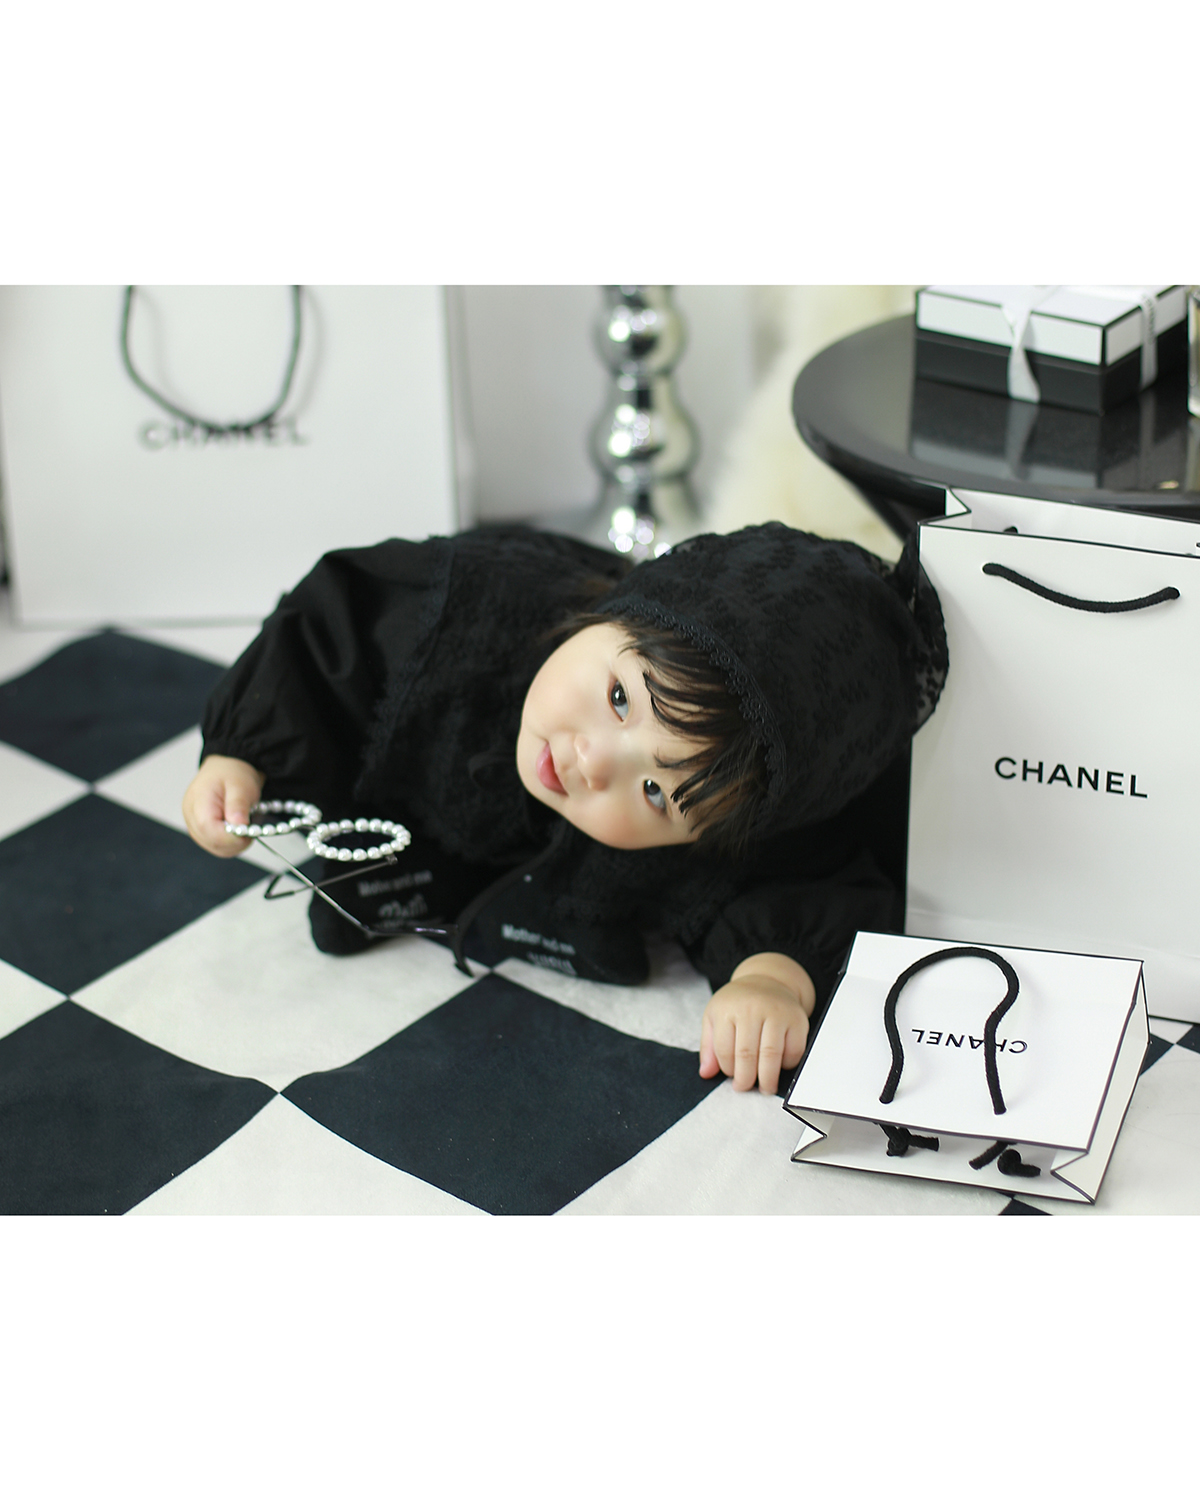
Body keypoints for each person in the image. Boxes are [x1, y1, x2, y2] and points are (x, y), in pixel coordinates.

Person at [183, 522, 947, 1095]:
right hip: (423, 773)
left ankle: (474, 885)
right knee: (387, 786)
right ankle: (419, 863)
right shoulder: (463, 612)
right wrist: (244, 753)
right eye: (618, 698)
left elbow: (803, 878)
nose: (594, 762)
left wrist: (771, 980)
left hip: (549, 861)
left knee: (607, 888)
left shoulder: (730, 820)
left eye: (655, 792)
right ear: (621, 612)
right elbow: (328, 634)